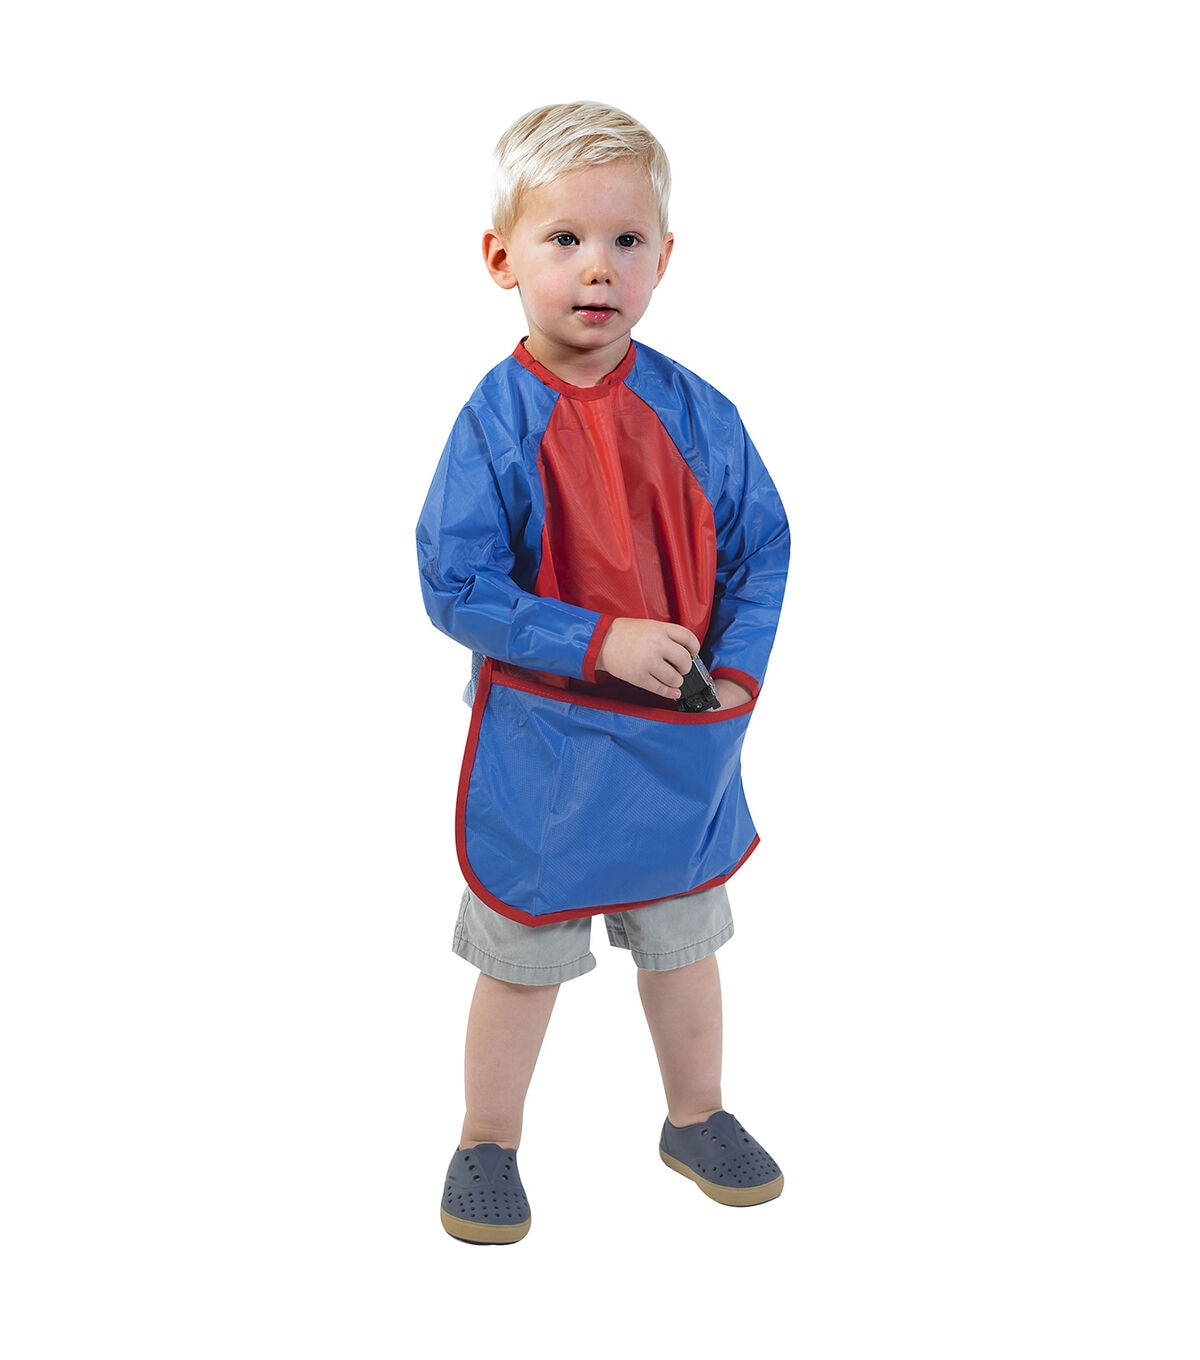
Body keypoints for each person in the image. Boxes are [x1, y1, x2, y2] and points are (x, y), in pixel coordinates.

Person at [416, 101, 790, 1244]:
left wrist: (737, 670)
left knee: (685, 943)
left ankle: (696, 1115)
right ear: (502, 258)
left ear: (664, 259)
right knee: (523, 956)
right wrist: (597, 639)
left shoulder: (699, 415)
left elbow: (762, 547)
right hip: (546, 746)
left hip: (676, 744)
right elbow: (455, 580)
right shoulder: (496, 424)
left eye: (627, 241)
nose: (598, 268)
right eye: (565, 239)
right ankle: (487, 1138)